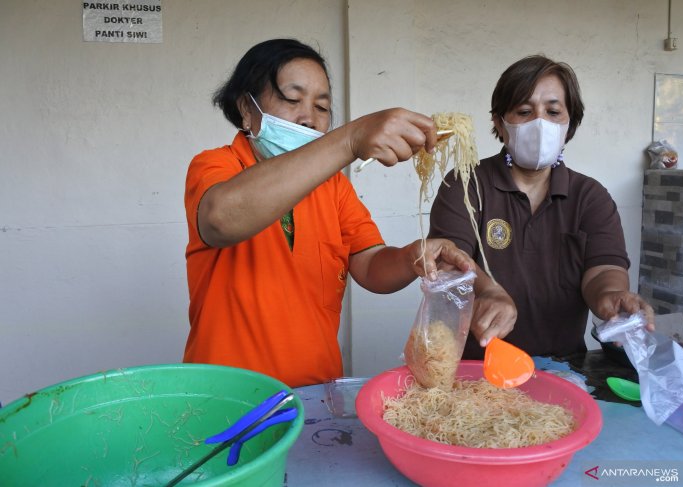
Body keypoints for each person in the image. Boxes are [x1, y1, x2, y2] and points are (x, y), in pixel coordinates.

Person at [183, 38, 503, 388]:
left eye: (322, 107)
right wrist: (351, 140)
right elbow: (220, 220)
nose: (308, 117)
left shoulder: (332, 186)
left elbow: (370, 265)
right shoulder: (216, 165)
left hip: (315, 393)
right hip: (226, 395)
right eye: (292, 99)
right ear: (247, 108)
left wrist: (414, 255)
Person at [428, 54, 655, 360]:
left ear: (569, 124)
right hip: (475, 367)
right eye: (524, 111)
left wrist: (611, 297)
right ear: (499, 121)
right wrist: (487, 291)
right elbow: (447, 261)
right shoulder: (466, 184)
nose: (540, 123)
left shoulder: (589, 196)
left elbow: (603, 269)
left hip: (562, 367)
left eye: (553, 111)